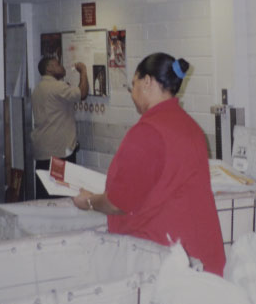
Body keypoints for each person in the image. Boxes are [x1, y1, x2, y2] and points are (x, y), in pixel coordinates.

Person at [72, 52, 226, 276]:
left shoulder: (148, 132)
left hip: (165, 261)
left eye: (132, 85)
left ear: (147, 82)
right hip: (198, 256)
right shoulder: (190, 126)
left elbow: (119, 203)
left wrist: (88, 201)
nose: (132, 94)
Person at [32, 56, 88, 199]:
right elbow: (82, 93)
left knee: (45, 196)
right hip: (59, 153)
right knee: (61, 195)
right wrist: (83, 71)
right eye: (57, 64)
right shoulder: (57, 87)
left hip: (42, 151)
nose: (61, 67)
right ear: (49, 68)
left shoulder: (38, 89)